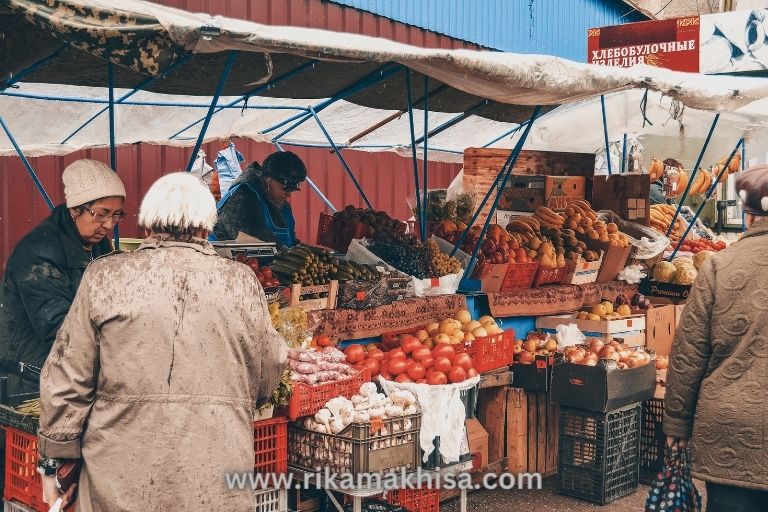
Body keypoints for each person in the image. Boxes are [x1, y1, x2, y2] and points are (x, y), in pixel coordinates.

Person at [37, 172, 287, 511]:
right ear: (206, 227)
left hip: (119, 480)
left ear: (148, 224)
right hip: (215, 476)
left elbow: (67, 378)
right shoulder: (240, 283)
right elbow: (269, 371)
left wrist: (55, 462)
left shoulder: (105, 276)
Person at [664, 165, 768, 511]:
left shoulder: (719, 266)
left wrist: (677, 425)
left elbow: (688, 353)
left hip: (730, 431)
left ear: (747, 213)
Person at [2, 159, 125, 393]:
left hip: (75, 361)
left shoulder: (95, 243)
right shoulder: (38, 254)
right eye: (101, 214)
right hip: (32, 373)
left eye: (116, 215)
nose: (109, 224)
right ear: (75, 209)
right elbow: (60, 329)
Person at [213, 151, 307, 248]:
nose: (289, 194)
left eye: (292, 190)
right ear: (269, 179)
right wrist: (285, 253)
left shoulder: (282, 204)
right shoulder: (243, 196)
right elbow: (252, 239)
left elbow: (290, 239)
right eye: (285, 188)